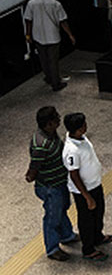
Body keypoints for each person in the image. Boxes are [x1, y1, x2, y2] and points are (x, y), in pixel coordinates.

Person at [62, 112, 112, 262]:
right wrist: (87, 197)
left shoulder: (81, 138)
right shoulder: (71, 150)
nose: (87, 125)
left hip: (95, 185)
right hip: (84, 191)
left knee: (98, 213)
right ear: (79, 129)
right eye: (84, 124)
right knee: (86, 220)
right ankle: (88, 249)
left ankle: (98, 237)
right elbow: (74, 175)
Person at [26, 106, 78, 262]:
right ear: (48, 123)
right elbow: (34, 167)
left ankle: (67, 235)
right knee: (52, 217)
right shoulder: (41, 144)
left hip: (59, 182)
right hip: (49, 187)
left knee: (62, 208)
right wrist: (30, 176)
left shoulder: (51, 133)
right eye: (56, 117)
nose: (59, 118)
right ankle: (52, 248)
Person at [24, 0, 75, 92]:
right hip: (53, 36)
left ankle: (48, 78)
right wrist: (70, 35)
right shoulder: (56, 4)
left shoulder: (31, 3)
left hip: (38, 36)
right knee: (53, 61)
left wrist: (28, 35)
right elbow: (63, 21)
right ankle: (56, 84)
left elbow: (28, 20)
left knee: (43, 59)